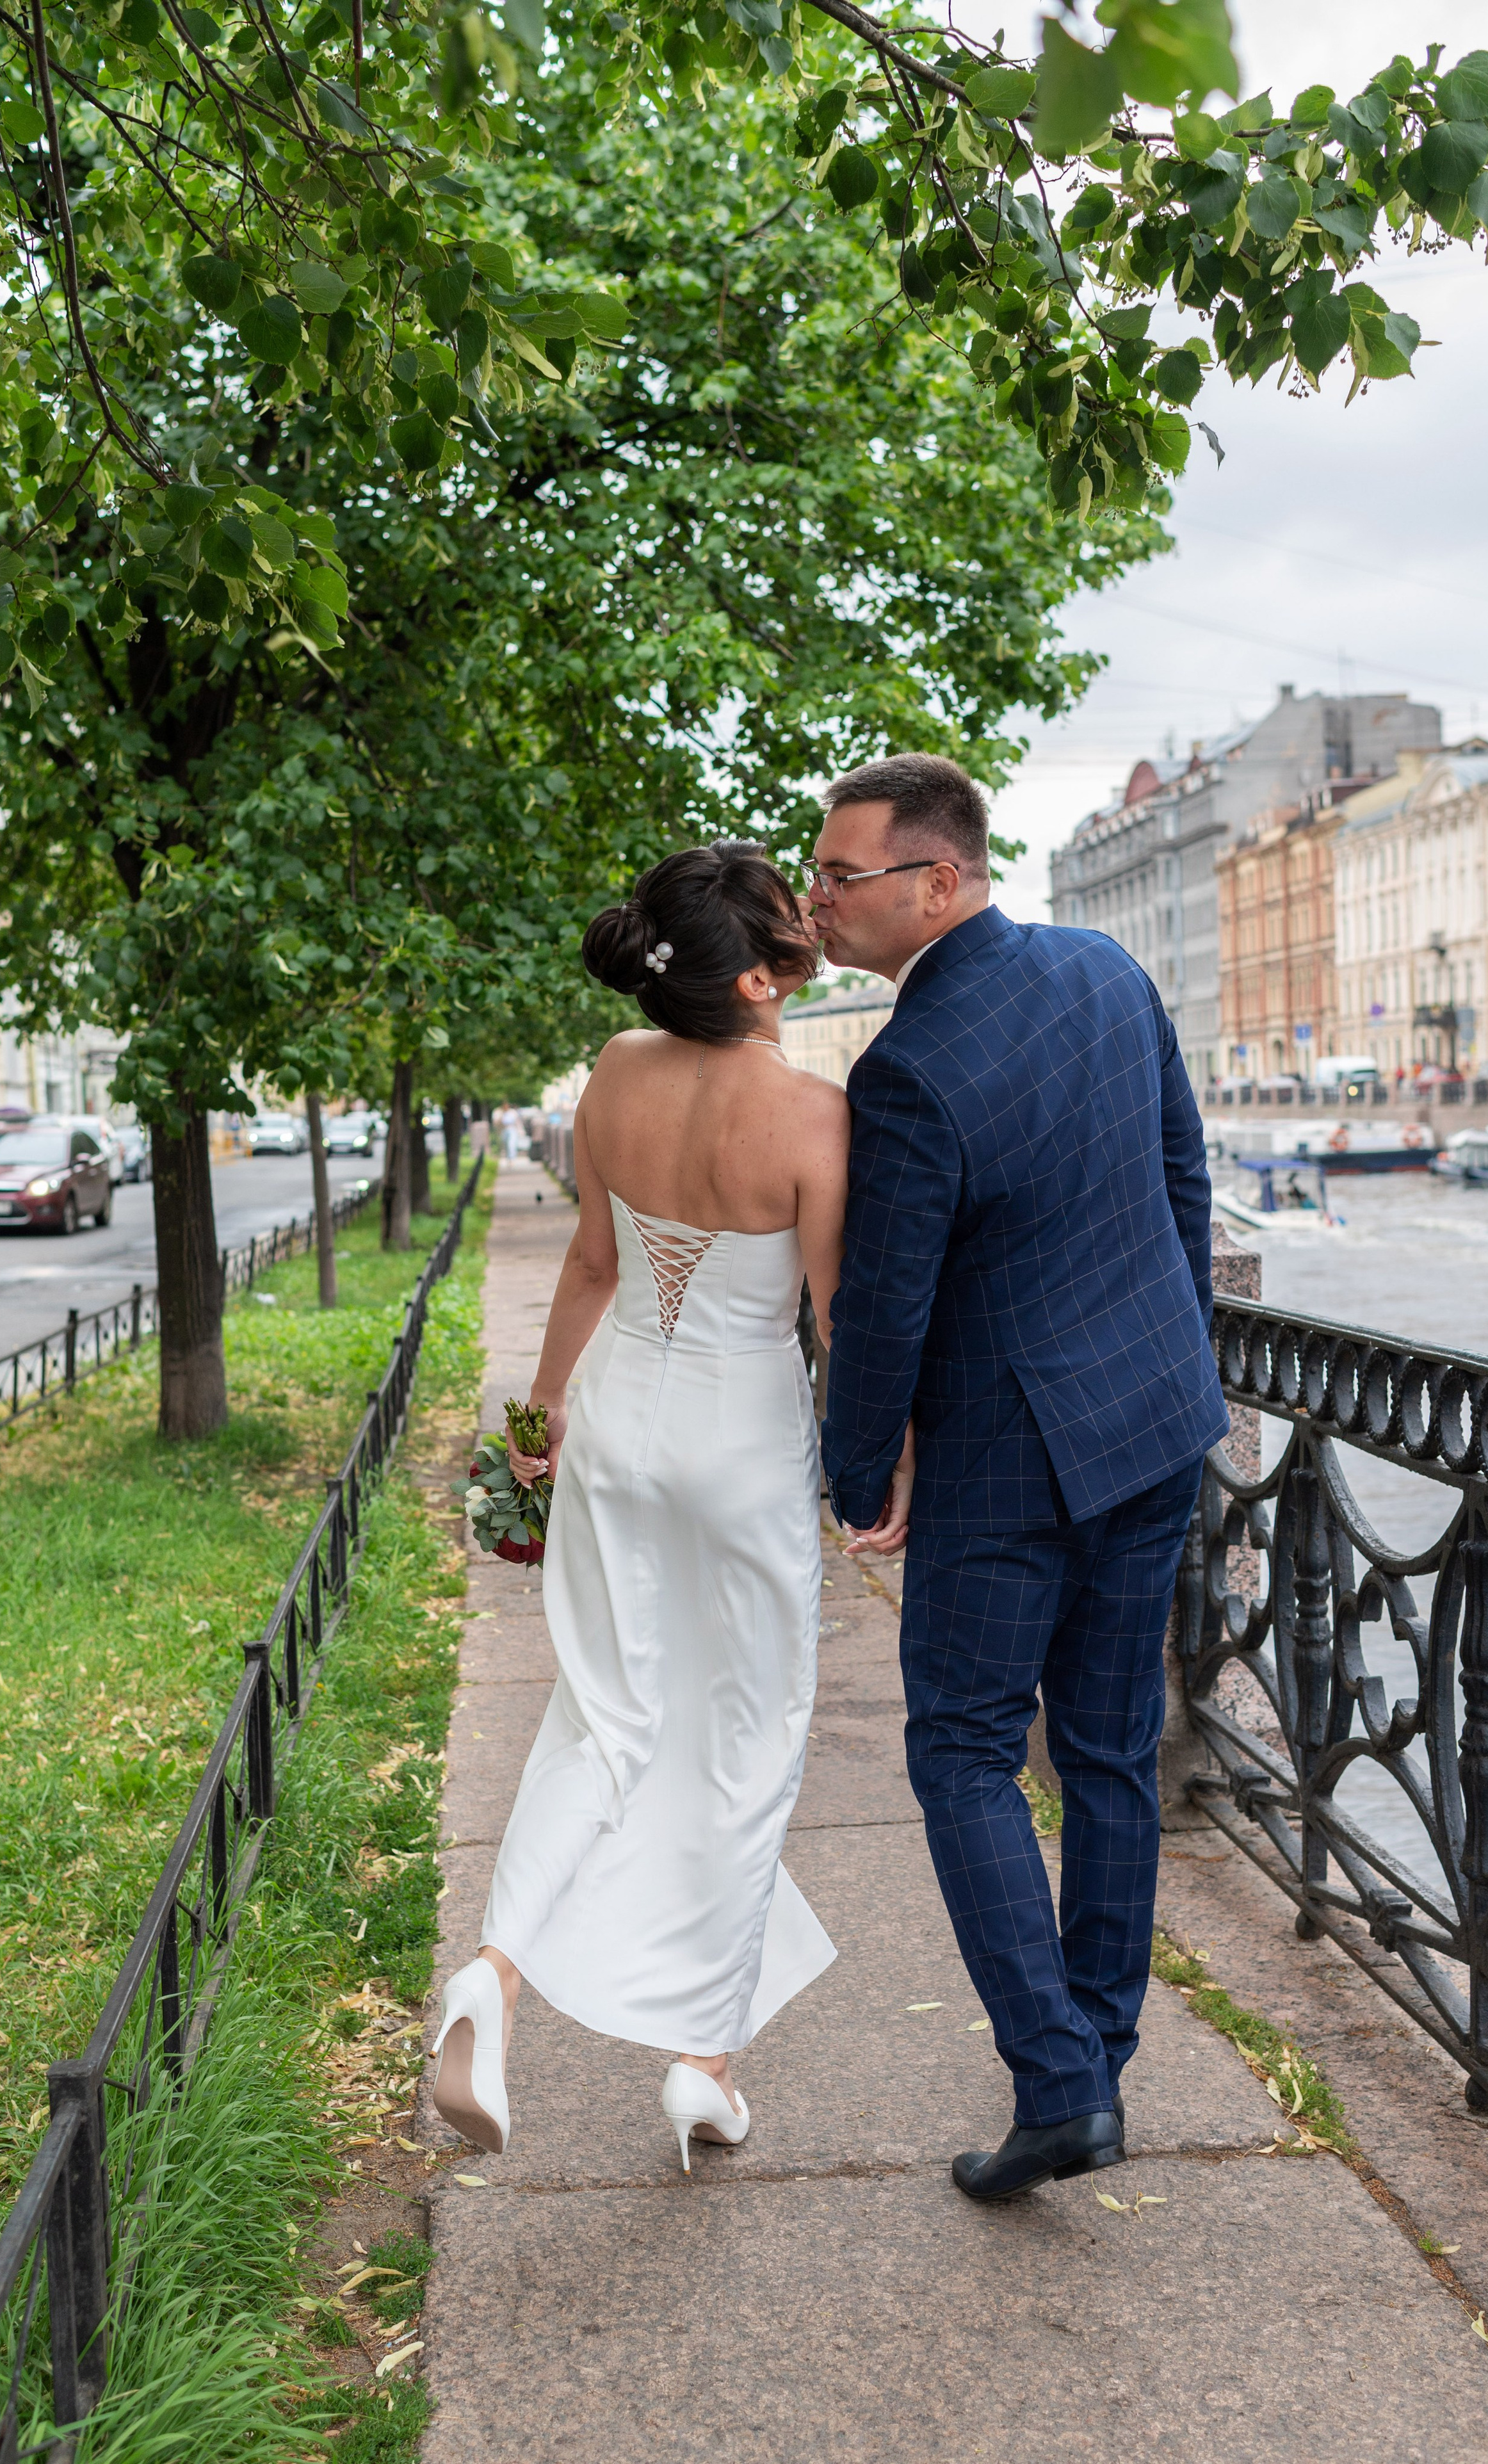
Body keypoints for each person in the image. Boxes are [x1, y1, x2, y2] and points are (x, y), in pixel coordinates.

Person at [813, 752, 1229, 2204]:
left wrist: (855, 1474)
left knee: (962, 1751)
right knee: (1108, 1752)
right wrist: (1185, 1362)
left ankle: (1060, 2083)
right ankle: (1091, 2062)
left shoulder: (909, 1069)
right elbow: (1182, 1179)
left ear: (937, 878)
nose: (814, 901)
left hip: (1003, 1463)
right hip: (1155, 1423)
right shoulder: (1106, 973)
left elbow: (883, 1306)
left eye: (839, 875)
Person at [430, 844, 848, 2169]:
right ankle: (701, 2060)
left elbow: (595, 1261)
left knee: (603, 1713)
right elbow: (835, 1324)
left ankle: (489, 1976)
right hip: (739, 1437)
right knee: (746, 1739)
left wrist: (542, 1417)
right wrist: (891, 1467)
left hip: (617, 1414)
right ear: (760, 972)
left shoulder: (614, 1070)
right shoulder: (813, 1118)